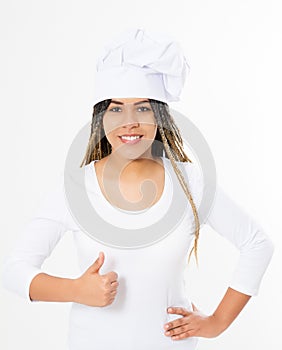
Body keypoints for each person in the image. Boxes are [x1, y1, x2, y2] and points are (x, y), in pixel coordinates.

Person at [2, 28, 274, 350]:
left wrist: (216, 323)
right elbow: (14, 270)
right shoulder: (75, 188)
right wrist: (77, 290)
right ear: (101, 117)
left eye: (143, 108)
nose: (129, 121)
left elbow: (257, 243)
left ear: (159, 115)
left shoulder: (190, 182)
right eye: (116, 108)